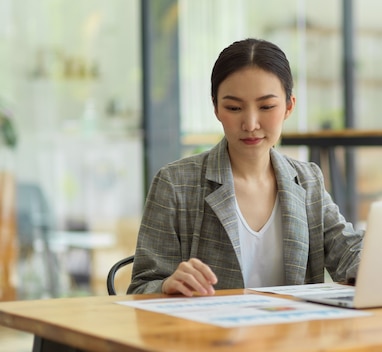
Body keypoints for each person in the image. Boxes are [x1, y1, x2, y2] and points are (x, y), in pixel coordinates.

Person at [128, 38, 363, 296]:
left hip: (293, 333)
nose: (250, 124)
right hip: (209, 333)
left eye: (266, 106)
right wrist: (167, 286)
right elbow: (141, 288)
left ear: (289, 106)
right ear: (216, 107)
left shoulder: (307, 180)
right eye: (234, 107)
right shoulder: (175, 183)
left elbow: (348, 253)